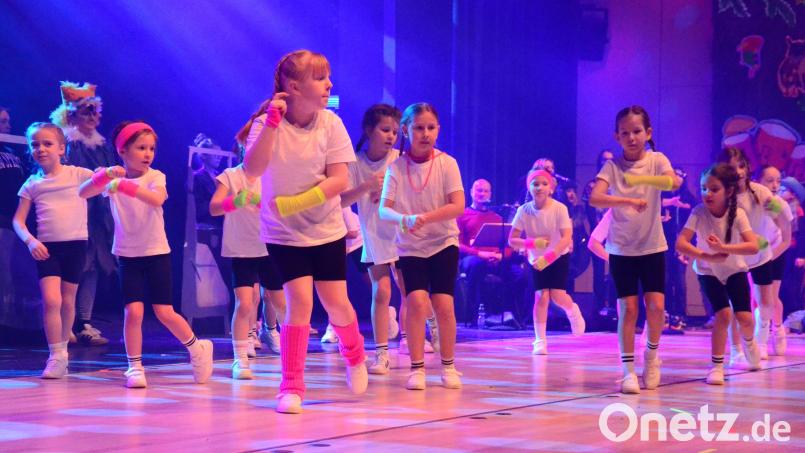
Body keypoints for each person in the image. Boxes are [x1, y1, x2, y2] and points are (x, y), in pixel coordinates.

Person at [240, 49, 368, 414]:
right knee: (300, 304)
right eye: (320, 78)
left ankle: (354, 352)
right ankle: (291, 386)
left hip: (326, 230)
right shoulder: (268, 122)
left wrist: (296, 203)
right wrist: (272, 123)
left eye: (328, 77)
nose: (329, 84)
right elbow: (252, 168)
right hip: (282, 234)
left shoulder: (330, 124)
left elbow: (339, 180)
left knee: (336, 302)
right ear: (294, 85)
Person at [78, 121, 214, 388]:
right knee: (133, 312)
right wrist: (105, 176)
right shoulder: (111, 177)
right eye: (141, 148)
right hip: (128, 254)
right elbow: (83, 192)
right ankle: (135, 367)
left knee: (164, 311)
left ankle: (197, 348)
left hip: (156, 252)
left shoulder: (155, 177)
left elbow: (156, 199)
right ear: (123, 151)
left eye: (151, 148)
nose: (148, 153)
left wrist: (123, 186)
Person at [589, 105, 681, 394]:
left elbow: (673, 181)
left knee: (656, 307)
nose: (632, 137)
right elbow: (595, 198)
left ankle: (651, 356)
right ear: (617, 136)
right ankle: (628, 370)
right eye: (625, 133)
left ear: (648, 133)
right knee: (627, 309)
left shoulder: (656, 160)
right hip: (621, 249)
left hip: (652, 246)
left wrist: (641, 181)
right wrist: (625, 201)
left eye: (637, 131)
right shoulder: (612, 166)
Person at [379, 102, 465, 390]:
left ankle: (449, 365)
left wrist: (426, 218)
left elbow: (457, 205)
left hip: (443, 243)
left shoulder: (447, 163)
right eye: (418, 128)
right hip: (410, 246)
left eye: (430, 127)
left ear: (438, 129)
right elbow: (384, 209)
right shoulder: (396, 168)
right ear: (406, 130)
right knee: (415, 301)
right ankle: (417, 368)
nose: (425, 133)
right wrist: (404, 219)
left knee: (443, 304)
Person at [339, 104, 429, 372]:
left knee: (408, 290)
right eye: (385, 130)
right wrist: (367, 187)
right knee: (382, 291)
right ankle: (381, 354)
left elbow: (416, 196)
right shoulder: (355, 163)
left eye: (393, 131)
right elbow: (342, 200)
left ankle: (410, 338)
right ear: (369, 130)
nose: (391, 136)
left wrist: (390, 198)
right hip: (375, 235)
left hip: (402, 235)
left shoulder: (401, 159)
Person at [12, 123, 94, 378]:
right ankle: (55, 355)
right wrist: (31, 241)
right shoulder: (32, 183)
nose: (41, 149)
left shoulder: (77, 174)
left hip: (76, 246)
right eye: (35, 144)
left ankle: (64, 354)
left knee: (68, 301)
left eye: (47, 144)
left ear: (61, 148)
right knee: (51, 300)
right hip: (48, 249)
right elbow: (18, 220)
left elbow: (101, 182)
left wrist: (110, 174)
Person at [675, 163, 762, 384]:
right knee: (723, 315)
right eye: (704, 188)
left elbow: (752, 246)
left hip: (734, 269)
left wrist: (724, 248)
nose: (707, 193)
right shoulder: (698, 212)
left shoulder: (738, 214)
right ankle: (716, 366)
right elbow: (681, 244)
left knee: (745, 318)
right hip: (707, 271)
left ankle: (750, 343)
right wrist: (708, 256)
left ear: (729, 191)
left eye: (714, 189)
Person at [51, 82, 118, 346]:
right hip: (76, 212)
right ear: (72, 114)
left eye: (96, 111)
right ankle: (64, 321)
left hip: (98, 216)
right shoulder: (67, 144)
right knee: (73, 266)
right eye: (87, 111)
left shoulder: (100, 145)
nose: (93, 117)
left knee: (95, 266)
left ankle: (84, 321)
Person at [209, 161, 285, 379]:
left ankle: (290, 353)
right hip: (241, 249)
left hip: (269, 245)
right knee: (244, 303)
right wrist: (236, 201)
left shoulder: (273, 172)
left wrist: (261, 202)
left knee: (281, 303)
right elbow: (214, 207)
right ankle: (240, 359)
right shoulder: (230, 175)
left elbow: (282, 207)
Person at [717, 148, 788, 362]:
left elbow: (782, 217)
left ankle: (762, 343)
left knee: (765, 301)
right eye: (732, 167)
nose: (738, 171)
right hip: (734, 259)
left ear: (747, 167)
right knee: (734, 306)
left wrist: (782, 241)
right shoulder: (721, 194)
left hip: (760, 255)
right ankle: (736, 350)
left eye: (741, 166)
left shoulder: (761, 192)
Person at [509, 169, 585, 355]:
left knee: (557, 296)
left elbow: (567, 237)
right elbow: (512, 239)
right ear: (529, 187)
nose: (539, 187)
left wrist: (549, 256)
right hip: (537, 259)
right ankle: (540, 340)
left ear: (551, 188)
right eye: (535, 184)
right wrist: (533, 243)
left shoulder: (559, 208)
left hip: (558, 255)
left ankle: (572, 310)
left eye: (544, 184)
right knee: (541, 296)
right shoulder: (523, 210)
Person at [754, 165, 793, 355]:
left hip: (776, 252)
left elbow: (787, 236)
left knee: (771, 297)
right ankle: (757, 338)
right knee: (756, 298)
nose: (775, 185)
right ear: (758, 181)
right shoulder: (751, 202)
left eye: (778, 180)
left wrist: (771, 255)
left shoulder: (781, 204)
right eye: (769, 180)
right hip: (753, 253)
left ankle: (777, 329)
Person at [457, 179, 504, 324]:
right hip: (472, 258)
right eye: (478, 190)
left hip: (494, 258)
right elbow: (456, 243)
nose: (482, 194)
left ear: (490, 194)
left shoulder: (497, 218)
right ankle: (471, 316)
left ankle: (511, 317)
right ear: (471, 192)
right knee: (475, 265)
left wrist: (501, 255)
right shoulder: (462, 215)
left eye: (485, 191)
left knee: (518, 274)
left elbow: (506, 244)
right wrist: (479, 254)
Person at [0, 107, 25, 325]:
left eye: (8, 120)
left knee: (10, 268)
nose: (8, 125)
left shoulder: (11, 149)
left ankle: (9, 316)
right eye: (3, 121)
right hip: (2, 220)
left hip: (15, 219)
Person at [583, 149, 615, 315]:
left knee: (615, 270)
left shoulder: (618, 184)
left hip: (616, 234)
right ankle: (599, 306)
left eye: (610, 159)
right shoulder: (591, 185)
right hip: (599, 232)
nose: (606, 162)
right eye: (603, 160)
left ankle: (612, 307)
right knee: (598, 270)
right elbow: (588, 210)